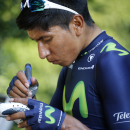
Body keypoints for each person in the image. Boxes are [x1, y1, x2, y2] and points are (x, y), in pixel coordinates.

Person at [6, 0, 130, 130]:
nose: (41, 54)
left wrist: (63, 122)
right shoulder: (73, 62)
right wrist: (29, 104)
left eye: (47, 39)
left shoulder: (113, 60)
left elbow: (61, 122)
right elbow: (52, 125)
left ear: (77, 24)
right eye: (36, 41)